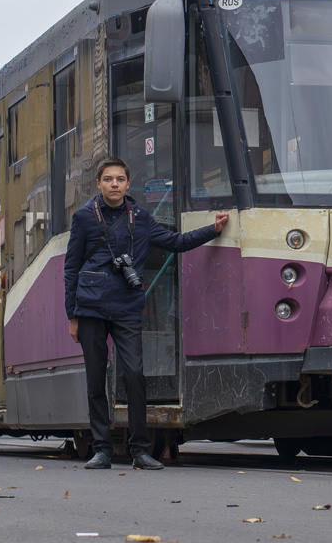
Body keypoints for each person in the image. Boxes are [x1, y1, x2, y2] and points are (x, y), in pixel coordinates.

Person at [64, 156, 229, 470]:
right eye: (108, 179)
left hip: (126, 307)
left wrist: (213, 229)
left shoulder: (140, 217)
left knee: (135, 375)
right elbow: (71, 268)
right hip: (90, 309)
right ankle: (101, 450)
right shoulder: (84, 217)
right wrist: (72, 315)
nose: (114, 184)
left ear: (127, 184)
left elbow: (176, 242)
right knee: (96, 380)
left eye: (120, 179)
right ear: (98, 183)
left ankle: (140, 450)